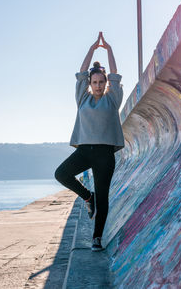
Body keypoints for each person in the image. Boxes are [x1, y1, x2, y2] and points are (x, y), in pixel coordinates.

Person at [55, 32, 124, 251]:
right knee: (61, 174)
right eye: (94, 82)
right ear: (90, 83)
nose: (97, 85)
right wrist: (92, 49)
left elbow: (115, 74)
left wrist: (109, 50)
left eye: (101, 82)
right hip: (84, 151)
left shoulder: (112, 99)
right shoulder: (82, 98)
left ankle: (97, 238)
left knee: (103, 197)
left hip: (105, 154)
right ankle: (87, 196)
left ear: (105, 83)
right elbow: (81, 74)